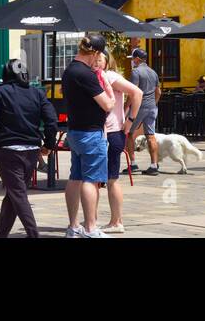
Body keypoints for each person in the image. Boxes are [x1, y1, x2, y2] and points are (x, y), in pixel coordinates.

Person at [0, 58, 57, 238]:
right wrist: (49, 144)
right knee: (14, 193)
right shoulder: (37, 93)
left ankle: (33, 234)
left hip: (7, 149)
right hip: (31, 150)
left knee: (18, 193)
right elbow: (51, 120)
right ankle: (0, 234)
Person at [61, 34, 115, 238]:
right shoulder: (86, 74)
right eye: (99, 55)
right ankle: (91, 228)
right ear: (96, 53)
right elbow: (108, 104)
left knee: (75, 177)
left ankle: (73, 227)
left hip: (74, 131)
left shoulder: (69, 71)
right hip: (91, 133)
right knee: (91, 180)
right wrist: (108, 89)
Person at [93, 50, 142, 234]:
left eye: (100, 59)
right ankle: (101, 220)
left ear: (107, 61)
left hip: (112, 133)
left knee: (110, 179)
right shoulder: (96, 77)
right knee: (102, 180)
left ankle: (115, 221)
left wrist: (130, 120)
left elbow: (137, 92)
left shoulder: (110, 76)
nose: (96, 62)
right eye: (94, 59)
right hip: (104, 133)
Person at [128, 48, 162, 175]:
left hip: (139, 107)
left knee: (129, 133)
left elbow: (133, 92)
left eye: (132, 59)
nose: (132, 61)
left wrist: (127, 107)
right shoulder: (153, 72)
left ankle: (133, 164)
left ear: (137, 59)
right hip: (152, 107)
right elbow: (158, 92)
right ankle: (153, 165)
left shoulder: (136, 72)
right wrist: (154, 103)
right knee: (151, 136)